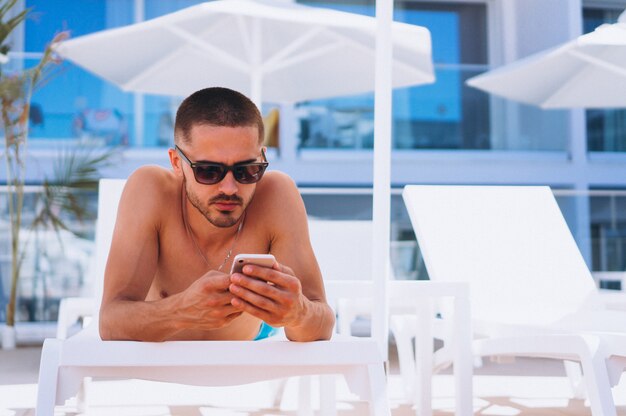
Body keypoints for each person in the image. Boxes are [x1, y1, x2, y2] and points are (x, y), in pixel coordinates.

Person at [99, 87, 335, 342]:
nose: (230, 188)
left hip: (249, 350)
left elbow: (322, 323)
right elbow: (110, 322)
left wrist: (298, 313)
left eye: (247, 170)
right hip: (163, 366)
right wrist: (181, 311)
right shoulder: (151, 189)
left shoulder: (276, 194)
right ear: (177, 163)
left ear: (262, 158)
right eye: (209, 171)